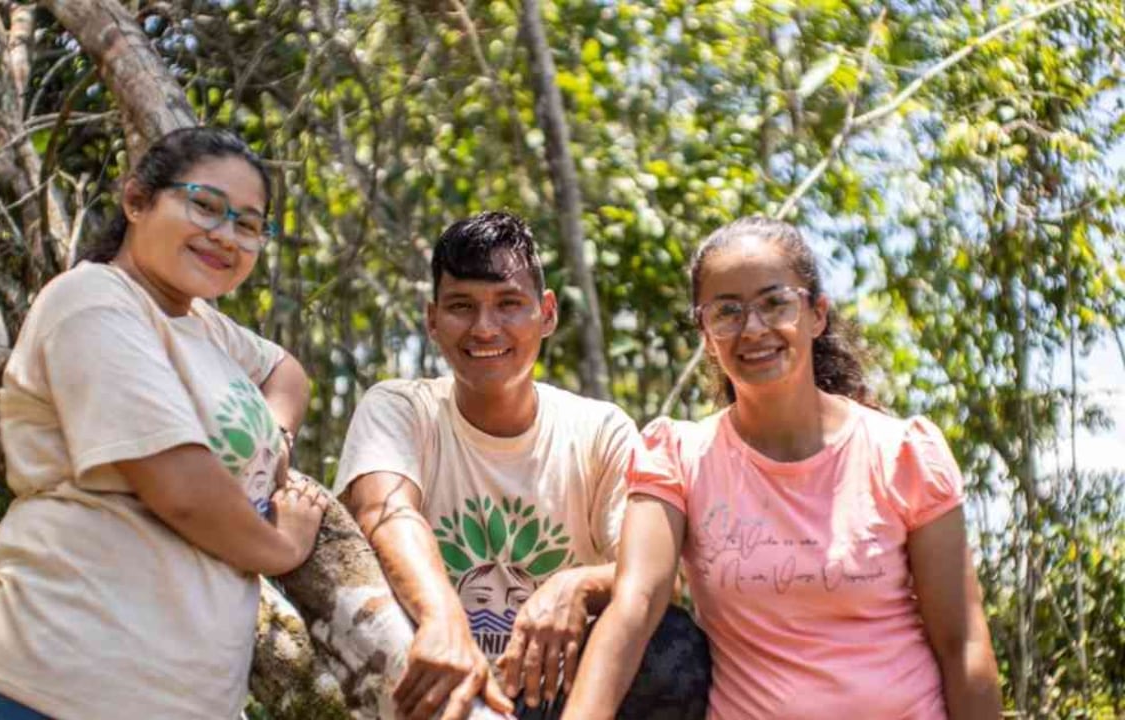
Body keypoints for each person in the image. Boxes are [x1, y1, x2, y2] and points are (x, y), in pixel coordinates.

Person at [0, 127, 328, 719]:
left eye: (248, 225)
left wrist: (275, 438)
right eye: (205, 206)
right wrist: (282, 546)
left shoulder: (200, 323)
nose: (225, 236)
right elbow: (181, 489)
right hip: (55, 684)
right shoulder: (94, 302)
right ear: (136, 200)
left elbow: (286, 371)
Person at [564, 216, 1002, 719]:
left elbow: (961, 643)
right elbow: (635, 607)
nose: (752, 329)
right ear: (706, 333)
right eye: (727, 311)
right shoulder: (677, 455)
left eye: (775, 303)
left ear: (816, 314)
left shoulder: (902, 453)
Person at [336, 211, 710, 720]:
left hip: (556, 694)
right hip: (433, 678)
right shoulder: (401, 407)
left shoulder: (598, 428)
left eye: (509, 304)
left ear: (547, 312)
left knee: (672, 643)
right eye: (461, 306)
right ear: (431, 319)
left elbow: (656, 578)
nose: (484, 327)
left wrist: (573, 585)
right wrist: (443, 619)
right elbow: (386, 512)